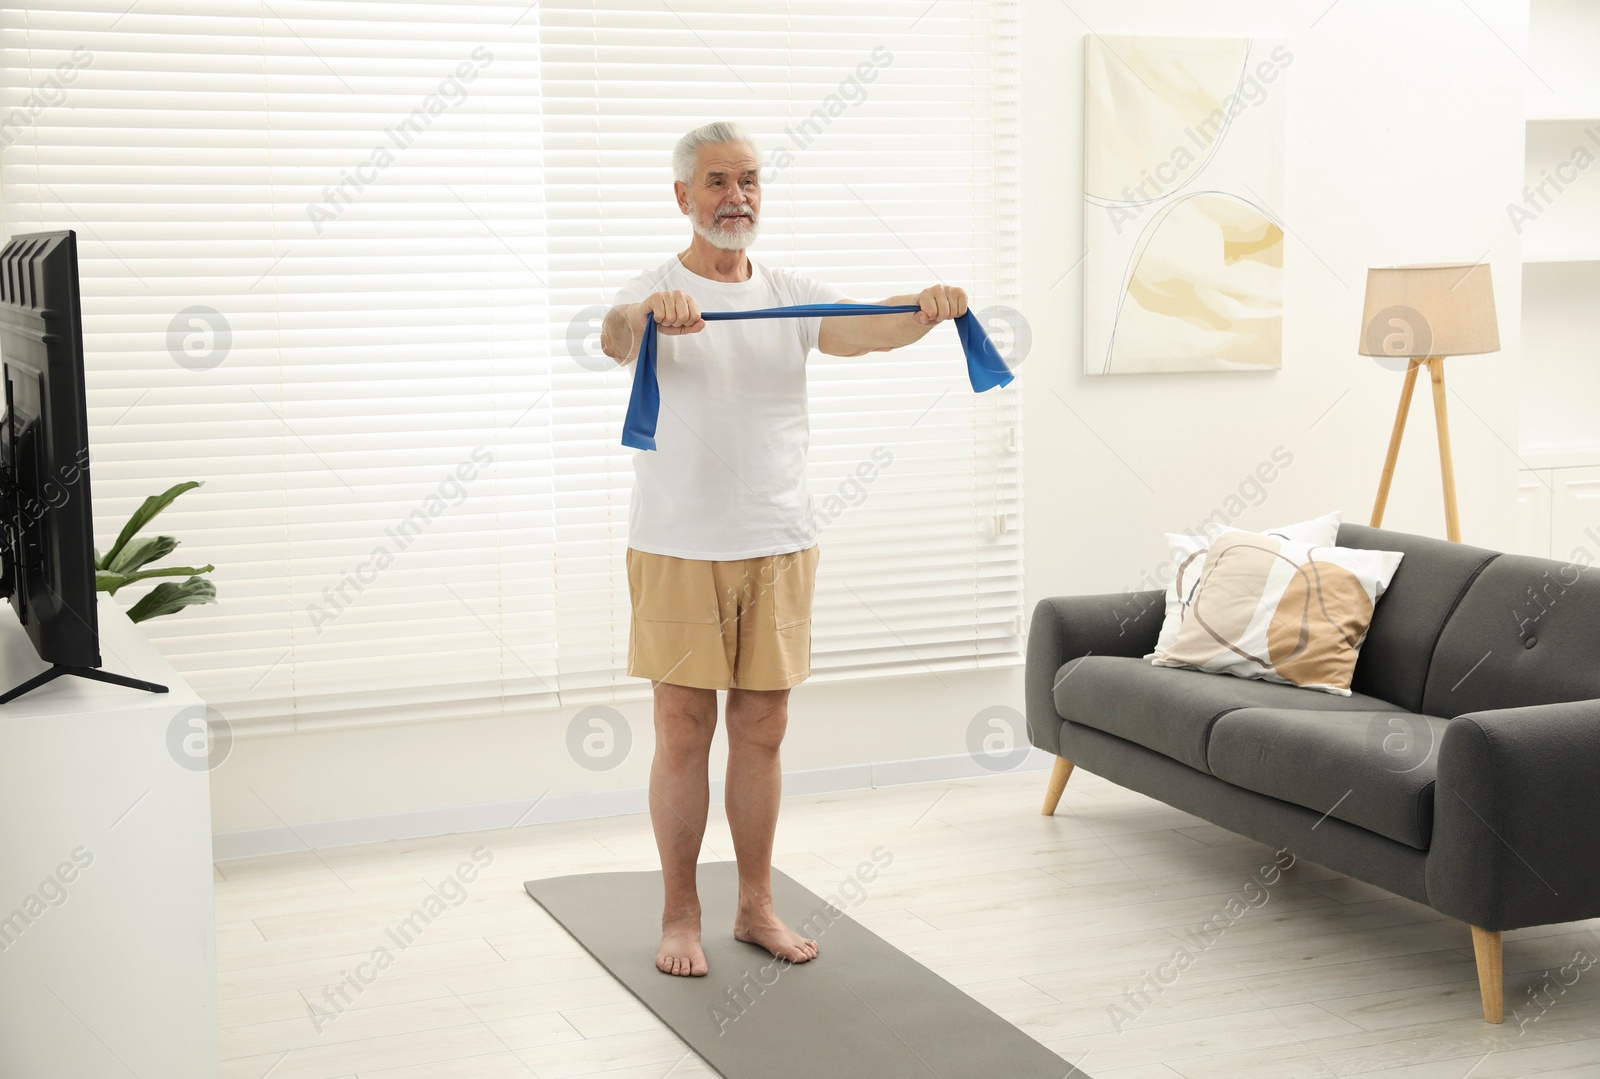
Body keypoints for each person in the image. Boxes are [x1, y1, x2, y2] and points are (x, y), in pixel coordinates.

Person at [599, 120, 968, 977]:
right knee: (682, 729)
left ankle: (754, 903)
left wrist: (926, 307)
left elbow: (867, 330)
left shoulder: (785, 291)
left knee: (762, 727)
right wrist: (648, 316)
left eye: (751, 180)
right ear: (685, 196)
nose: (738, 196)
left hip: (778, 541)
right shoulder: (654, 290)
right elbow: (612, 336)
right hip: (678, 545)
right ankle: (680, 911)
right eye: (719, 181)